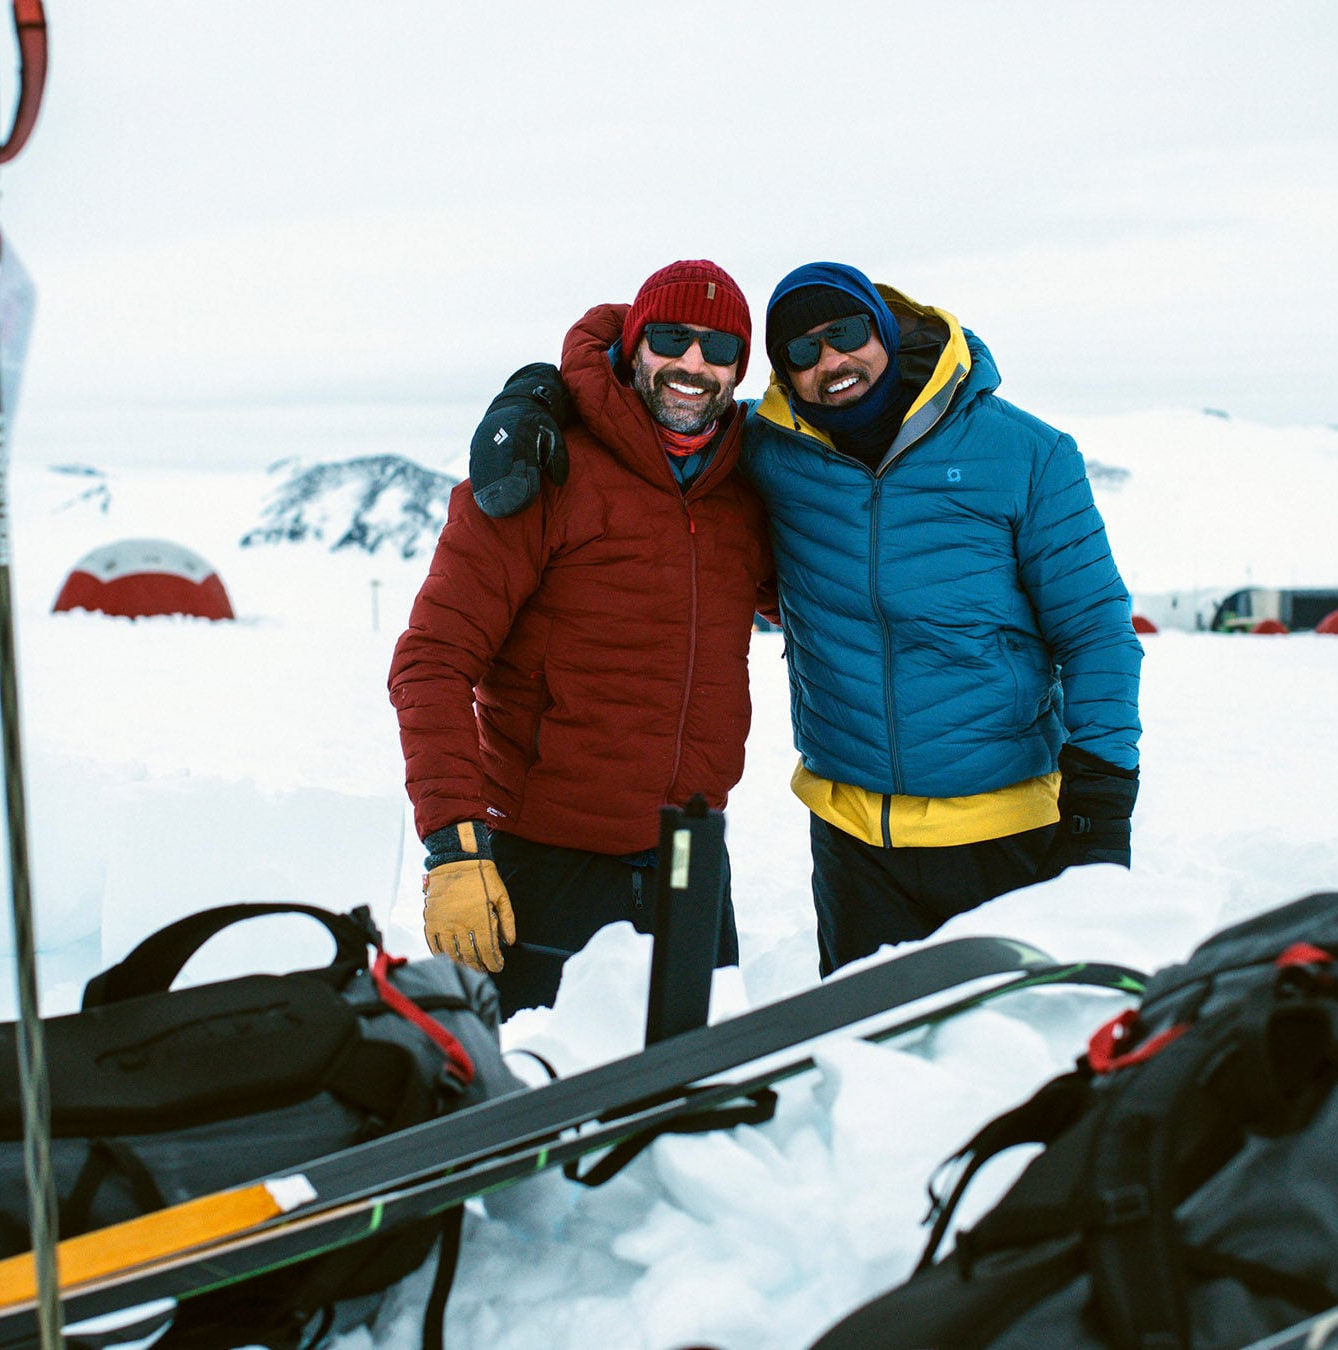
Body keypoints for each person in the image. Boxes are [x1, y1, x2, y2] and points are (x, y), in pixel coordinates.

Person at [469, 262, 1142, 974]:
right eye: (803, 352)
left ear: (884, 329)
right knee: (865, 1063)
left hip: (1006, 833)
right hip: (854, 847)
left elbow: (1096, 631)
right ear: (785, 375)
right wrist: (535, 393)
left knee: (1018, 1063)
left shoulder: (1026, 454)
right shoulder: (769, 449)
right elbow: (651, 406)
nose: (832, 361)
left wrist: (1100, 812)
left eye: (847, 333)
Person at [388, 260, 773, 1015]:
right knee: (537, 1104)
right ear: (634, 347)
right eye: (671, 339)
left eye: (720, 349)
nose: (693, 364)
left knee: (692, 1108)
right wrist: (456, 850)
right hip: (543, 867)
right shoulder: (541, 468)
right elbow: (431, 662)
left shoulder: (745, 491)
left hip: (692, 858)